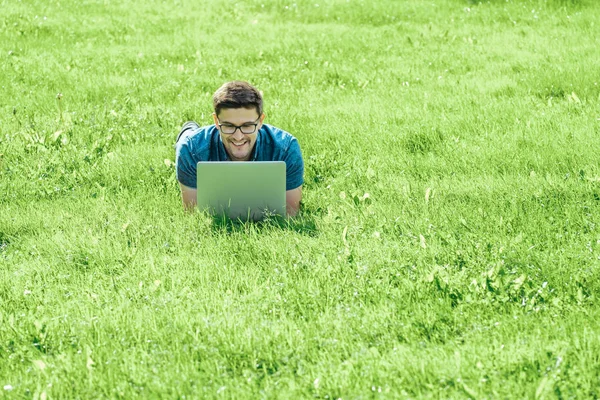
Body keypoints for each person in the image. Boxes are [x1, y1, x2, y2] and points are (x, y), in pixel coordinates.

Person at [175, 81, 304, 216]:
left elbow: (291, 214)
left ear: (260, 121)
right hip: (193, 139)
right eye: (229, 126)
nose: (238, 136)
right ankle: (189, 127)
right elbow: (193, 214)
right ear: (216, 122)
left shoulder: (286, 149)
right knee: (185, 138)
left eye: (247, 126)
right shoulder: (191, 149)